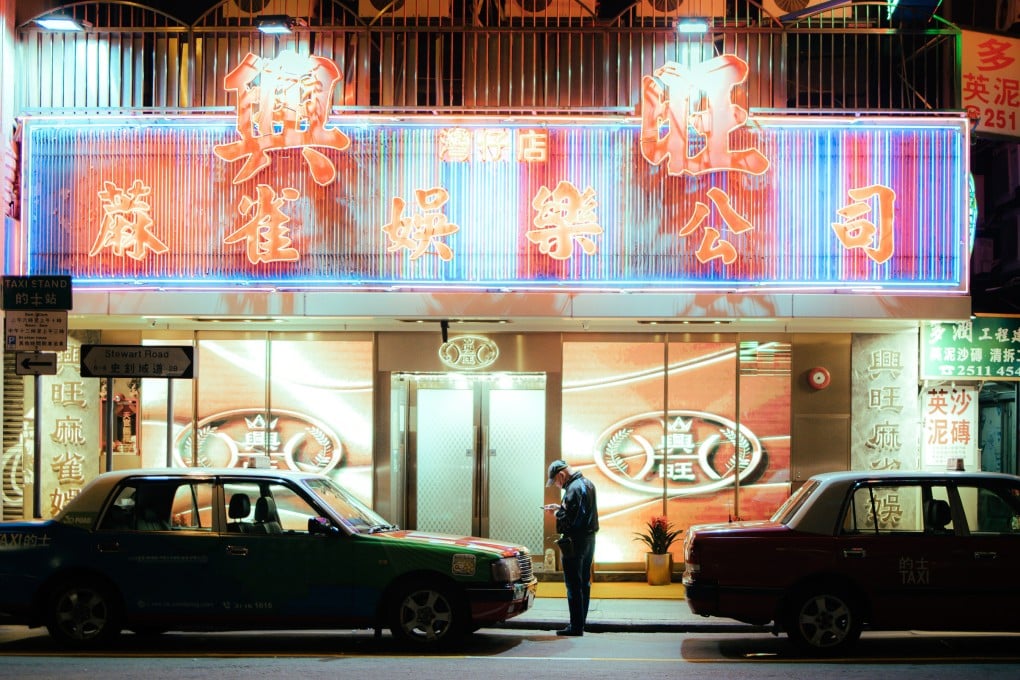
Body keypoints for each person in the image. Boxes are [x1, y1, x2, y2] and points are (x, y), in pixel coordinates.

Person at [543, 459, 599, 636]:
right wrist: (561, 507)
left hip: (575, 542)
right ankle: (580, 623)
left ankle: (575, 627)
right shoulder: (587, 484)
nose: (557, 486)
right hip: (589, 540)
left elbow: (572, 521)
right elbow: (579, 513)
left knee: (573, 585)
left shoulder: (573, 488)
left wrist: (556, 513)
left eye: (556, 482)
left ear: (561, 475)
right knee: (584, 583)